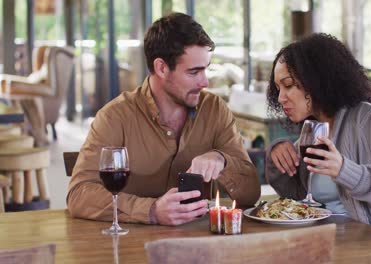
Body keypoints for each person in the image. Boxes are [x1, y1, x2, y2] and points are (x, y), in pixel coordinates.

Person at [67, 13, 260, 226]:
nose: (205, 81)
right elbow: (79, 195)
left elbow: (251, 193)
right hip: (131, 249)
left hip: (200, 247)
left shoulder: (214, 110)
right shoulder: (115, 117)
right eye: (194, 72)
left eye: (206, 69)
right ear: (161, 68)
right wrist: (150, 211)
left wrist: (221, 159)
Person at [265, 33, 371, 241]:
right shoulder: (313, 131)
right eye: (277, 89)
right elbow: (297, 196)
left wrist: (345, 171)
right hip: (330, 245)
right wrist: (278, 157)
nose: (281, 97)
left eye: (288, 85)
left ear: (315, 80)